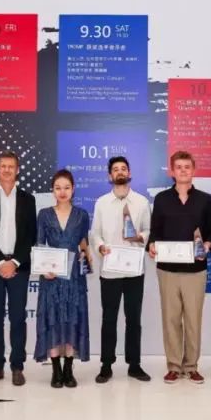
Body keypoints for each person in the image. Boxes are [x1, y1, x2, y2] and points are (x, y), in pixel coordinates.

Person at [149, 151, 211, 384]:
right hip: (167, 269)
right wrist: (152, 245)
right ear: (172, 171)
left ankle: (191, 366)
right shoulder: (161, 199)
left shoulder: (205, 200)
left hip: (195, 271)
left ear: (193, 170)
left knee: (193, 321)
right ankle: (174, 366)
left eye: (187, 166)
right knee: (170, 320)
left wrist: (207, 244)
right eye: (179, 167)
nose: (183, 170)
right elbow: (155, 231)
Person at [0, 151, 37, 386]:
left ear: (17, 170)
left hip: (19, 266)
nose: (7, 170)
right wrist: (1, 263)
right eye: (3, 166)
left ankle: (17, 366)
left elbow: (30, 235)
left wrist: (15, 262)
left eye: (11, 166)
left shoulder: (28, 199)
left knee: (18, 317)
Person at [91, 156, 152, 383]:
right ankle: (106, 365)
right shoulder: (101, 203)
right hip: (110, 271)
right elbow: (95, 233)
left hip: (134, 271)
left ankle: (134, 365)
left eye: (123, 168)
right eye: (115, 169)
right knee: (109, 319)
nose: (120, 172)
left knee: (133, 319)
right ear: (110, 175)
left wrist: (139, 237)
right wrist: (100, 246)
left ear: (129, 173)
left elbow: (148, 230)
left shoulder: (142, 202)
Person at [34, 170, 92, 388]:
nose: (62, 192)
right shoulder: (44, 214)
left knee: (72, 319)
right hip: (51, 276)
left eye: (66, 187)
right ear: (53, 190)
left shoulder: (82, 215)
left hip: (74, 276)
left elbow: (84, 243)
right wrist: (43, 269)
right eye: (58, 188)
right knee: (53, 319)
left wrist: (86, 255)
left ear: (73, 189)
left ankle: (69, 369)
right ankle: (55, 370)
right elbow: (40, 244)